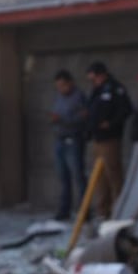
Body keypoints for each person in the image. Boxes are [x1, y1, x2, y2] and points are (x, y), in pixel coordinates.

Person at [86, 61, 133, 219]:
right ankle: (103, 210)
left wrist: (111, 123)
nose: (93, 81)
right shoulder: (97, 90)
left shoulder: (115, 89)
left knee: (113, 174)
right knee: (100, 177)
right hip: (97, 138)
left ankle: (118, 209)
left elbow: (126, 110)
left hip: (110, 139)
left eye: (95, 77)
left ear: (102, 74)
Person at [51, 69, 89, 221]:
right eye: (58, 86)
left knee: (78, 175)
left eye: (63, 85)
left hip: (74, 139)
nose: (60, 89)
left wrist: (62, 119)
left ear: (70, 83)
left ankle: (84, 210)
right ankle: (64, 209)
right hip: (60, 139)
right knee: (63, 176)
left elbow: (82, 119)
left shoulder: (79, 97)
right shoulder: (59, 97)